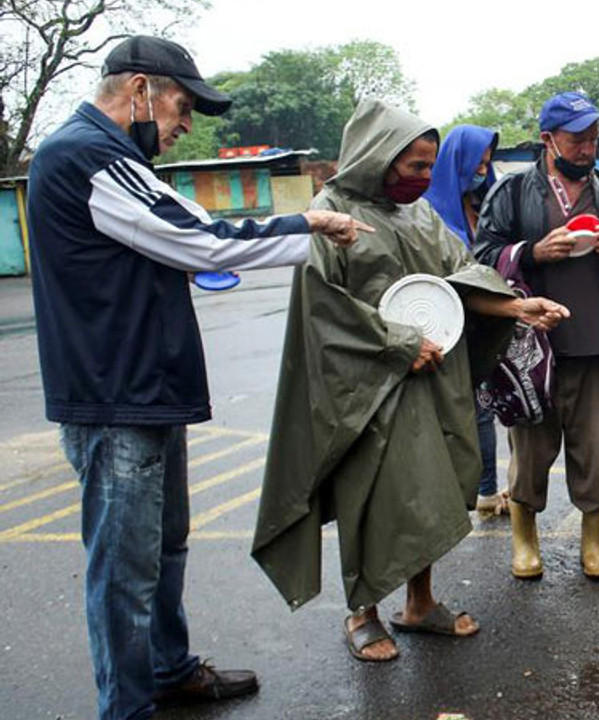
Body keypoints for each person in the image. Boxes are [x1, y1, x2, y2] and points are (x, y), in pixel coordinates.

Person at [26, 36, 373, 720]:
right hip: (113, 395)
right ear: (140, 91)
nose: (185, 125)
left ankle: (166, 667)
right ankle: (127, 706)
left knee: (164, 545)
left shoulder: (115, 156)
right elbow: (203, 242)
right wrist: (309, 225)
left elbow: (187, 236)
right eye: (183, 107)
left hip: (144, 390)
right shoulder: (85, 154)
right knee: (124, 567)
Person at [252, 99, 567, 663]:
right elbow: (323, 309)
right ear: (380, 156)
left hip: (431, 380)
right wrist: (397, 344)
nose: (425, 178)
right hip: (364, 389)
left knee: (431, 491)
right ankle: (362, 613)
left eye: (429, 166)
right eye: (415, 166)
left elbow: (460, 281)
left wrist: (516, 307)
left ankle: (419, 603)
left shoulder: (419, 215)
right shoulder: (332, 214)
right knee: (370, 495)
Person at [473, 91, 599, 581]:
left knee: (595, 452)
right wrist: (532, 251)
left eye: (594, 137)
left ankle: (593, 542)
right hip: (530, 353)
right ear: (548, 139)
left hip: (594, 350)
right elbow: (481, 259)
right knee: (529, 452)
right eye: (577, 139)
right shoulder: (510, 193)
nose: (588, 147)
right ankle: (525, 541)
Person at [423, 124, 508, 514]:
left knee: (484, 409)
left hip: (483, 326)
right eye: (478, 163)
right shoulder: (429, 212)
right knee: (471, 412)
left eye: (487, 164)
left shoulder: (481, 203)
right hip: (445, 328)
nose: (483, 171)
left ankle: (485, 489)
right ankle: (477, 491)